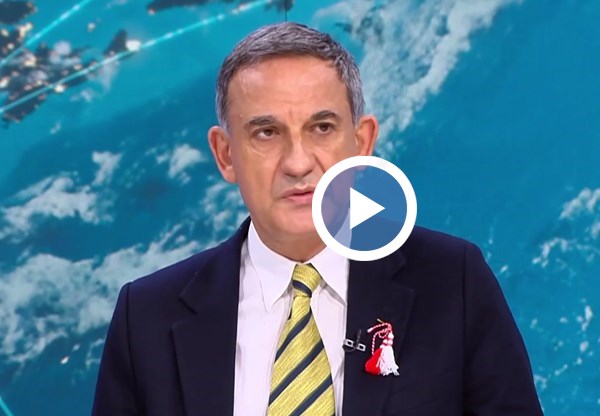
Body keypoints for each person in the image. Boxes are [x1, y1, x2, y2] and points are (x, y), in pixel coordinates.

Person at [91, 21, 543, 416]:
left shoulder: (453, 284)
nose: (298, 162)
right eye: (267, 133)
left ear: (362, 143)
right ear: (225, 154)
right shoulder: (145, 317)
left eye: (321, 128)